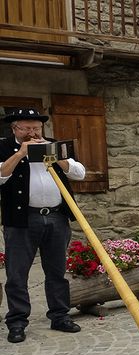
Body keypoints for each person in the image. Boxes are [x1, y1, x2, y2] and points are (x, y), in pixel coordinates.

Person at [1, 107, 85, 343]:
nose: (32, 132)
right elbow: (1, 176)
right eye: (26, 128)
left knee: (57, 271)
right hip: (22, 220)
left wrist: (58, 156)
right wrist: (20, 153)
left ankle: (59, 316)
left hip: (57, 217)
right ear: (14, 129)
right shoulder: (5, 147)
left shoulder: (54, 145)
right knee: (17, 273)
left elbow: (79, 173)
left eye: (36, 128)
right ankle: (17, 321)